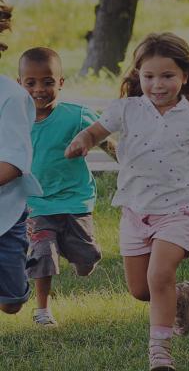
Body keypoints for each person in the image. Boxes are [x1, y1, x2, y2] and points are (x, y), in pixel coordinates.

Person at [65, 32, 189, 371]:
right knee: (141, 289)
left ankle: (160, 355)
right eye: (149, 76)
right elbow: (95, 132)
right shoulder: (126, 109)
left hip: (178, 210)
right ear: (138, 75)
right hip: (135, 211)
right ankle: (179, 294)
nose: (158, 84)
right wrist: (82, 141)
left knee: (158, 274)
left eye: (167, 76)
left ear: (184, 76)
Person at [18, 47, 116, 327]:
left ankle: (79, 257)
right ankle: (42, 310)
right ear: (19, 84)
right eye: (31, 83)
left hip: (75, 200)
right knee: (41, 254)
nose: (40, 89)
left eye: (48, 82)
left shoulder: (76, 115)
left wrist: (126, 161)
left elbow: (104, 139)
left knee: (86, 261)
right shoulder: (15, 119)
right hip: (37, 203)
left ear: (61, 82)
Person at [0, 0, 42, 315]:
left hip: (6, 211)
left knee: (11, 302)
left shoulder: (12, 98)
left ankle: (19, 283)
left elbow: (12, 165)